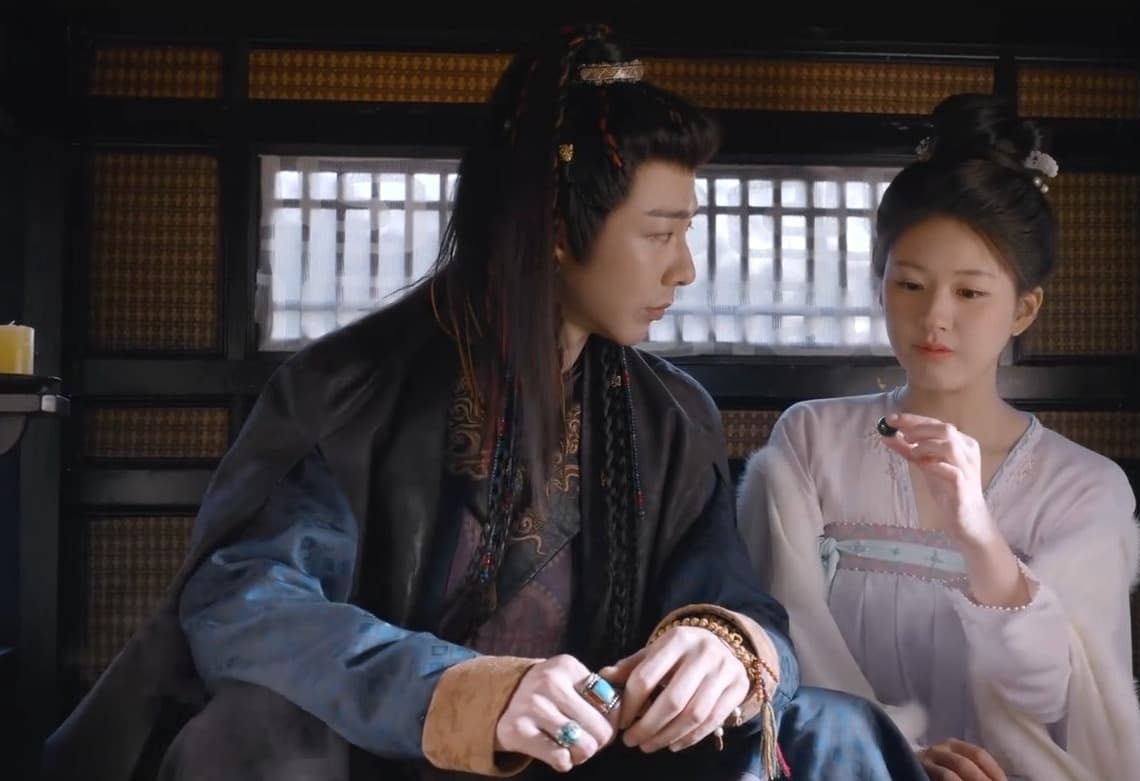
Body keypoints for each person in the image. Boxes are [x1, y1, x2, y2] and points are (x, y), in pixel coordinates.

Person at [41, 23, 930, 781]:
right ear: (557, 227)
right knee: (257, 730)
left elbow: (729, 594)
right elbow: (248, 601)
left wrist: (724, 646)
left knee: (829, 730)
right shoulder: (350, 391)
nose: (684, 269)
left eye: (685, 233)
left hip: (592, 755)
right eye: (660, 233)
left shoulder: (671, 416)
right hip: (383, 752)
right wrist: (464, 692)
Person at [735, 93, 1140, 781]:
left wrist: (981, 536)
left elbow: (1053, 697)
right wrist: (891, 753)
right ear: (880, 285)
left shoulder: (1085, 487)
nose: (934, 316)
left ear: (1024, 309)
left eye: (969, 292)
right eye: (910, 284)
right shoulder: (811, 440)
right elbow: (783, 636)